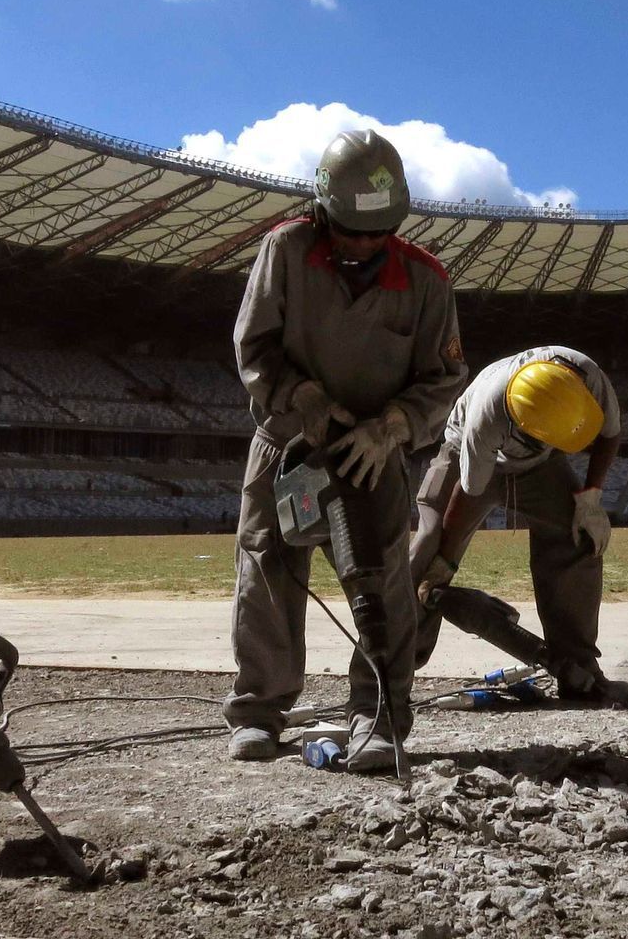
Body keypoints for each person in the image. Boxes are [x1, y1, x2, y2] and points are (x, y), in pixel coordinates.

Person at [227, 129, 466, 772]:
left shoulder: (426, 281)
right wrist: (297, 393)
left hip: (371, 448)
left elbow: (443, 381)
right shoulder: (284, 250)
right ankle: (258, 711)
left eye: (377, 233)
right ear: (321, 208)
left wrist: (391, 426)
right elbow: (254, 347)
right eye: (350, 230)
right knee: (267, 567)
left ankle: (380, 715)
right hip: (289, 440)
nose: (363, 244)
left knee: (383, 578)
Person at [409, 345, 627, 700]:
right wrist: (443, 562)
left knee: (578, 536)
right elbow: (467, 492)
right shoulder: (487, 415)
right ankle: (392, 669)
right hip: (468, 455)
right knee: (427, 547)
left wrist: (590, 498)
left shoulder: (588, 378)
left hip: (541, 466)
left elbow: (610, 434)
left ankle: (578, 669)